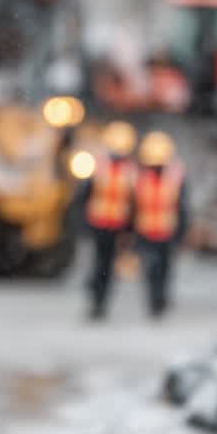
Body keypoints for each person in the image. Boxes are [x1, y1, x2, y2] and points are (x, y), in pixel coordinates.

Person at [78, 120, 138, 321]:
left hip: (114, 226)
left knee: (105, 265)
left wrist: (130, 229)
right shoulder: (101, 166)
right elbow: (85, 196)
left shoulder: (128, 171)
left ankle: (100, 300)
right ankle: (97, 296)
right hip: (100, 224)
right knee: (100, 264)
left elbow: (134, 202)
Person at [133, 131, 189, 317]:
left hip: (167, 231)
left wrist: (181, 231)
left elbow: (182, 207)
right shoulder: (140, 177)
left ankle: (160, 300)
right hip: (146, 231)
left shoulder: (175, 176)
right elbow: (133, 205)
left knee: (164, 269)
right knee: (151, 269)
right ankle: (154, 300)